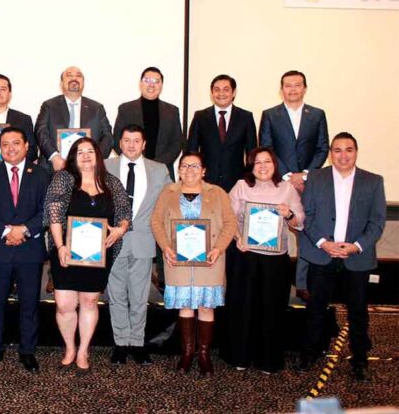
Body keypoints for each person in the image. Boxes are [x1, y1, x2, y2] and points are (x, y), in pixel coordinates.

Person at [297, 132, 386, 382]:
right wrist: (323, 243)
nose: (343, 155)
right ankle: (309, 353)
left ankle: (360, 359)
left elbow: (377, 222)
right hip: (322, 254)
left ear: (356, 152)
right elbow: (307, 216)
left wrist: (356, 246)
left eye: (349, 150)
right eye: (337, 150)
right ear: (330, 154)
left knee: (358, 312)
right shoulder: (316, 178)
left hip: (356, 258)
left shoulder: (373, 181)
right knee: (315, 308)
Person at [44, 137, 131, 370]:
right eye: (80, 152)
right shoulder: (63, 179)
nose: (85, 156)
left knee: (90, 301)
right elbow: (54, 214)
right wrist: (60, 246)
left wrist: (120, 230)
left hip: (98, 255)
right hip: (66, 252)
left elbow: (125, 213)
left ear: (98, 155)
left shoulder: (111, 182)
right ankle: (69, 347)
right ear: (73, 156)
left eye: (90, 151)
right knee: (64, 304)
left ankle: (83, 351)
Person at [151, 151, 236, 375]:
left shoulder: (217, 193)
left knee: (206, 307)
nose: (189, 170)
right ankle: (187, 353)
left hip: (210, 260)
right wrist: (165, 247)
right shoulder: (167, 193)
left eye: (195, 166)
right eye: (185, 166)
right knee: (185, 306)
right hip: (177, 261)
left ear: (204, 170)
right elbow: (156, 222)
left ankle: (204, 355)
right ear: (178, 170)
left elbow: (230, 223)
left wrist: (218, 248)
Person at [0, 127, 50, 373]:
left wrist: (24, 230)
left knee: (29, 304)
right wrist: (6, 231)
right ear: (0, 148)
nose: (10, 148)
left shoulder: (41, 174)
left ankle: (27, 351)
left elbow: (46, 210)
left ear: (26, 146)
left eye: (16, 143)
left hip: (30, 249)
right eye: (5, 144)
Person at [227, 147, 304, 373]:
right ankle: (240, 355)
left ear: (274, 164)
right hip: (246, 256)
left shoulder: (287, 188)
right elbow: (228, 218)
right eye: (257, 162)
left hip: (275, 260)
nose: (262, 166)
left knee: (271, 309)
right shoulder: (241, 186)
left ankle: (268, 359)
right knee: (244, 307)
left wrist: (289, 214)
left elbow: (300, 221)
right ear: (251, 166)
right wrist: (238, 238)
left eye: (267, 161)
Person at [104, 124, 171, 365]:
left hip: (144, 240)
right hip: (113, 239)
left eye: (136, 141)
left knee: (140, 296)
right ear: (119, 143)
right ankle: (121, 343)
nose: (131, 145)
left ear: (144, 144)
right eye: (126, 140)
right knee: (116, 294)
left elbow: (169, 203)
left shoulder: (159, 170)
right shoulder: (105, 166)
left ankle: (137, 342)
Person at [258, 70, 329, 297]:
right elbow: (266, 146)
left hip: (309, 183)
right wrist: (288, 176)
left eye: (297, 85)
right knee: (276, 229)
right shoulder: (270, 114)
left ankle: (302, 284)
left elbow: (322, 148)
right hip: (280, 182)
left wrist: (305, 175)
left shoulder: (317, 114)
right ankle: (275, 282)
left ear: (304, 89)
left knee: (307, 229)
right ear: (281, 90)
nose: (293, 89)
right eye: (288, 85)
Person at [35, 66, 113, 172]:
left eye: (78, 76)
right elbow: (40, 132)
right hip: (54, 167)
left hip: (89, 170)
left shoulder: (97, 108)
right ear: (61, 83)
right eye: (69, 75)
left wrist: (96, 158)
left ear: (83, 83)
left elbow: (108, 136)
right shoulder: (49, 106)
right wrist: (54, 156)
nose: (74, 78)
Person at [186, 74, 257, 192]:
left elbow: (252, 152)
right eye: (217, 90)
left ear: (234, 92)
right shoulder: (200, 117)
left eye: (226, 89)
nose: (221, 93)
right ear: (211, 93)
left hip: (237, 182)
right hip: (206, 181)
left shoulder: (246, 117)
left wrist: (250, 179)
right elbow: (191, 150)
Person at [113, 67, 182, 179]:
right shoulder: (125, 109)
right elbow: (117, 140)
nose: (151, 85)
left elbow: (177, 143)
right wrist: (137, 161)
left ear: (161, 85)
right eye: (147, 80)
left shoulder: (172, 111)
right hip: (132, 169)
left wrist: (156, 165)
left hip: (162, 169)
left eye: (156, 81)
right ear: (140, 83)